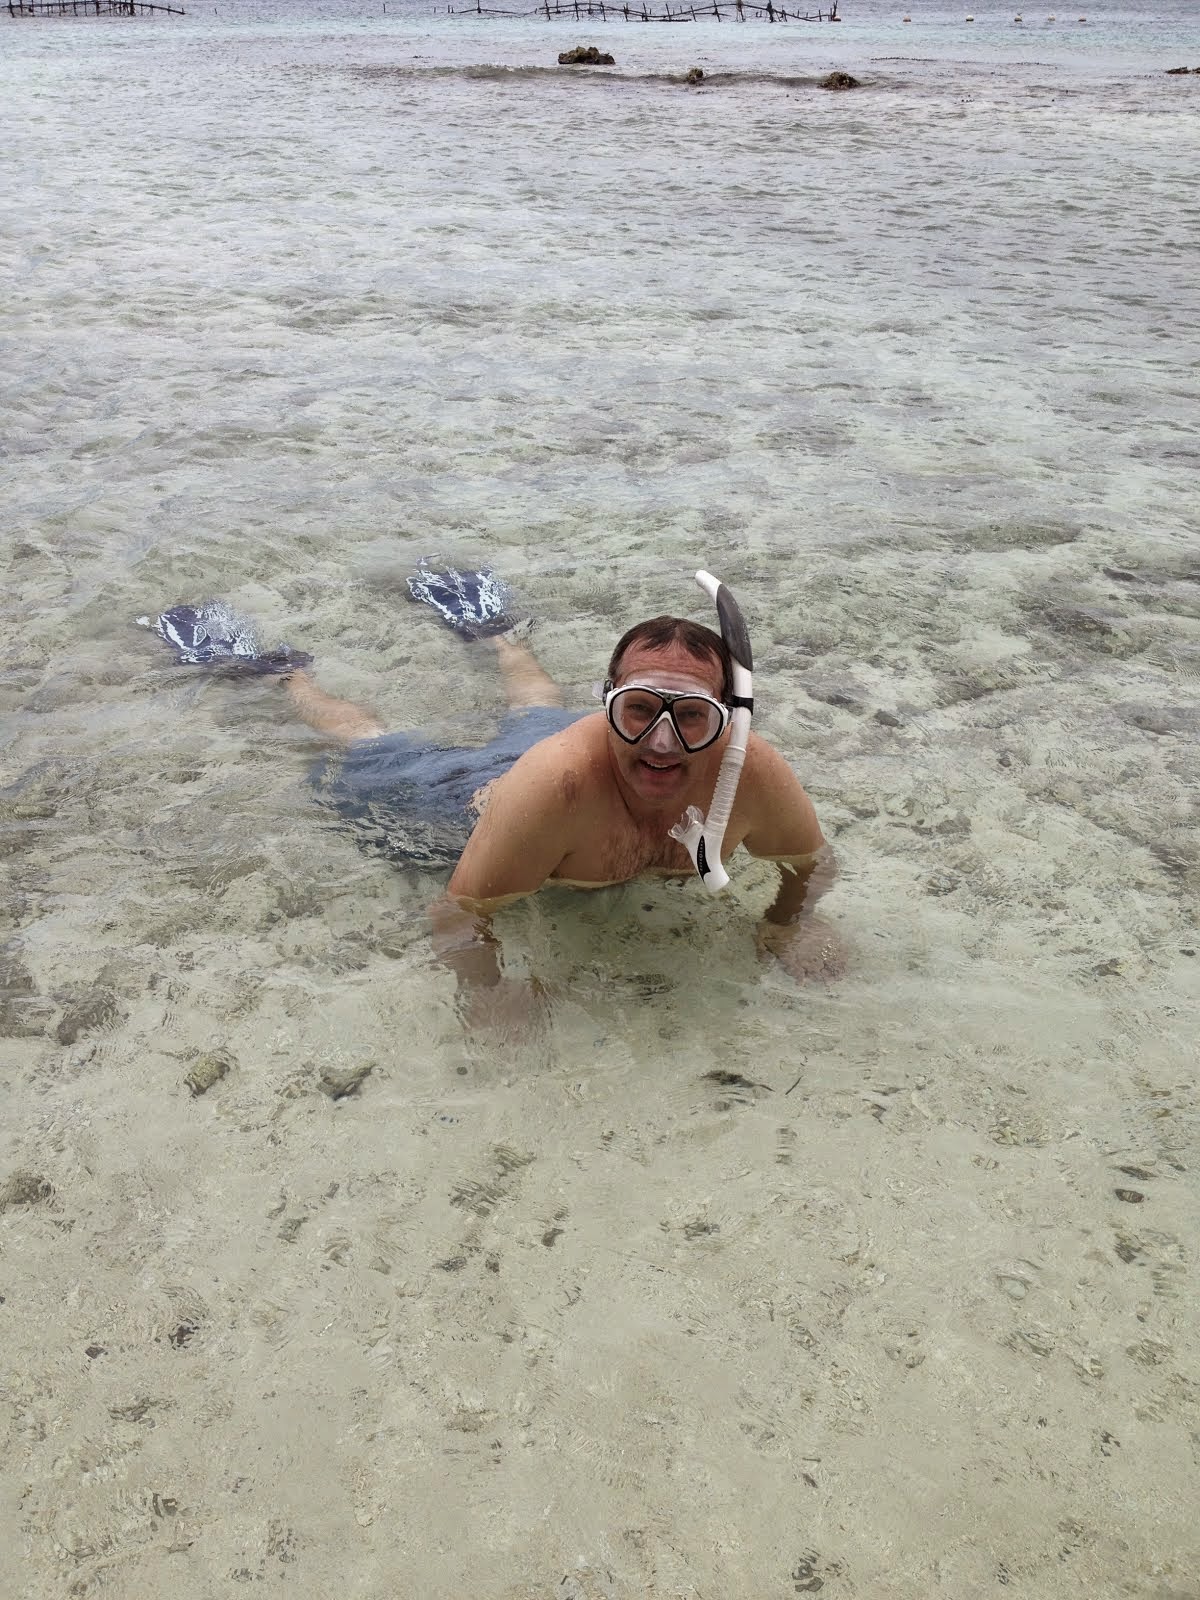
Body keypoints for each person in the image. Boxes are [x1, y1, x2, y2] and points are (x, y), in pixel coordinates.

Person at [143, 570, 842, 1028]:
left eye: (689, 715)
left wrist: (790, 925)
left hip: (557, 760)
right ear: (608, 707)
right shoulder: (558, 784)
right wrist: (490, 994)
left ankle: (499, 633)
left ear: (730, 719)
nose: (662, 743)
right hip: (466, 804)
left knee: (538, 710)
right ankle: (286, 676)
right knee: (374, 743)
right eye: (639, 710)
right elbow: (456, 912)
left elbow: (810, 865)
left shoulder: (748, 774)